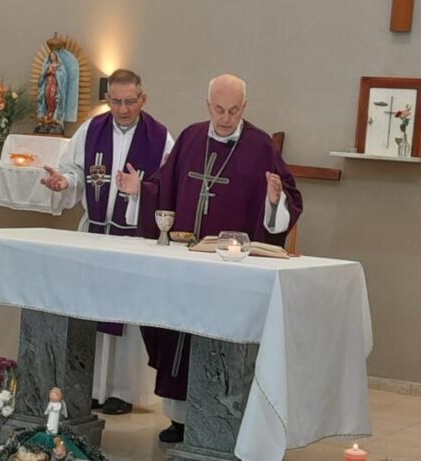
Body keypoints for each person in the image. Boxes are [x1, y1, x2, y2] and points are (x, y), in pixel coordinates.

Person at [115, 73, 302, 443]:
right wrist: (141, 190)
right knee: (175, 332)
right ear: (208, 105)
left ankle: (221, 416)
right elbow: (164, 185)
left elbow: (288, 200)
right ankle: (180, 418)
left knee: (220, 336)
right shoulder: (191, 137)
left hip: (231, 268)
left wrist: (274, 199)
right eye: (219, 109)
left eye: (233, 110)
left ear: (244, 108)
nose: (226, 118)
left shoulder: (261, 146)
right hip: (187, 261)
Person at [40, 69, 174, 416]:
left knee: (126, 312)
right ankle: (91, 387)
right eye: (116, 101)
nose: (123, 108)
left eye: (130, 101)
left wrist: (140, 191)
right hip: (96, 233)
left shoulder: (160, 138)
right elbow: (73, 171)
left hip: (134, 238)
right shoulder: (91, 130)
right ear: (108, 99)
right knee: (92, 307)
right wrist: (64, 184)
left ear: (143, 99)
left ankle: (122, 390)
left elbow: (169, 188)